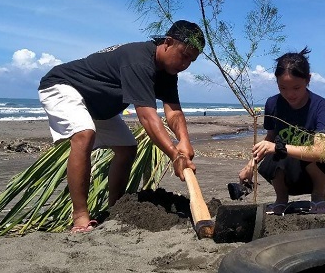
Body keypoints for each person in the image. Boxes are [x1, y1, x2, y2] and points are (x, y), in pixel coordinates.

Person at [38, 20, 205, 233]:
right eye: (184, 55)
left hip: (98, 106)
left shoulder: (168, 72)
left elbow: (173, 111)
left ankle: (115, 207)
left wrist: (184, 140)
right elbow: (147, 117)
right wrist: (175, 155)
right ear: (168, 42)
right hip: (63, 85)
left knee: (127, 148)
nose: (185, 64)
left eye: (192, 60)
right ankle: (80, 216)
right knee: (84, 134)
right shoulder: (139, 61)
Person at [238, 47, 325, 215]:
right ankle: (281, 199)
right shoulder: (273, 104)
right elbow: (270, 138)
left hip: (320, 172)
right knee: (275, 151)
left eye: (296, 88)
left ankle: (318, 197)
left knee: (300, 151)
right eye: (283, 88)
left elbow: (322, 152)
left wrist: (280, 148)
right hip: (287, 173)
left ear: (308, 80)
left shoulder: (322, 107)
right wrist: (250, 165)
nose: (289, 94)